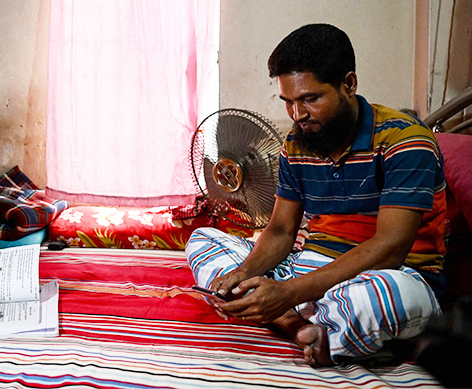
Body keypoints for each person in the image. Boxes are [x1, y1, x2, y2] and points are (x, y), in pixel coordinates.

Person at [186, 24, 446, 366]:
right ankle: (300, 326)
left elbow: (390, 248)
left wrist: (289, 293)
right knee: (204, 240)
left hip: (392, 274)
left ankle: (292, 312)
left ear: (349, 84)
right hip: (308, 270)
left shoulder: (405, 141)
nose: (298, 115)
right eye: (289, 102)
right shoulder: (296, 144)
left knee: (389, 300)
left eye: (311, 99)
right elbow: (280, 231)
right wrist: (245, 273)